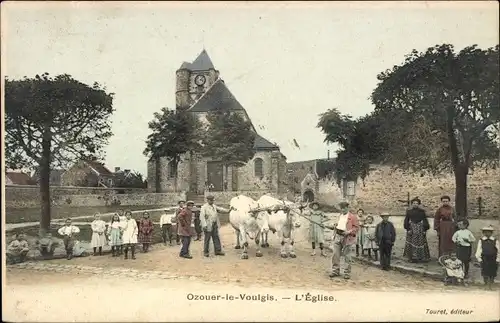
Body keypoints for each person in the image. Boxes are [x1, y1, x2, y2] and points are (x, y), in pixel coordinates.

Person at [326, 201, 359, 280]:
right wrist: (334, 225)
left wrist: (348, 232)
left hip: (347, 237)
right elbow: (338, 224)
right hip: (338, 236)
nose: (343, 210)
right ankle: (335, 271)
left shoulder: (352, 217)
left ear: (347, 208)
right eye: (341, 208)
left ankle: (347, 273)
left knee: (347, 256)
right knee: (335, 254)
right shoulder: (340, 216)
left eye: (344, 208)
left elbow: (356, 228)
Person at [403, 198, 431, 263]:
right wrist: (408, 229)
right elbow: (406, 220)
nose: (415, 204)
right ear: (412, 204)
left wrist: (425, 229)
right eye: (414, 203)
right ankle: (412, 257)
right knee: (412, 242)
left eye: (417, 203)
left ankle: (421, 257)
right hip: (412, 228)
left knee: (420, 242)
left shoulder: (422, 212)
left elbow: (425, 220)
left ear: (419, 204)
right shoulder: (409, 211)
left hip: (420, 228)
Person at [475, 225, 499, 289]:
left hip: (493, 257)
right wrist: (479, 258)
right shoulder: (481, 240)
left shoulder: (495, 240)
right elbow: (479, 249)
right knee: (484, 269)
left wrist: (498, 259)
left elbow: (498, 250)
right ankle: (485, 282)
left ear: (491, 233)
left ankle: (491, 282)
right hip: (484, 257)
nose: (487, 233)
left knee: (493, 270)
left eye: (489, 232)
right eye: (485, 232)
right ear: (483, 233)